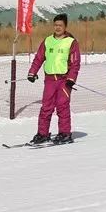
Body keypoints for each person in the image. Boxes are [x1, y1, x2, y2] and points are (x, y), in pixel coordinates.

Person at [26, 13, 81, 144]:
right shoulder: (47, 41)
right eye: (55, 25)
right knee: (46, 107)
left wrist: (71, 79)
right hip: (50, 80)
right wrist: (32, 72)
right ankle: (42, 134)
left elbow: (75, 63)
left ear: (65, 26)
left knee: (62, 107)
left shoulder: (71, 42)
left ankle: (64, 133)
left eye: (60, 25)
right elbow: (39, 58)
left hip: (64, 80)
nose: (57, 27)